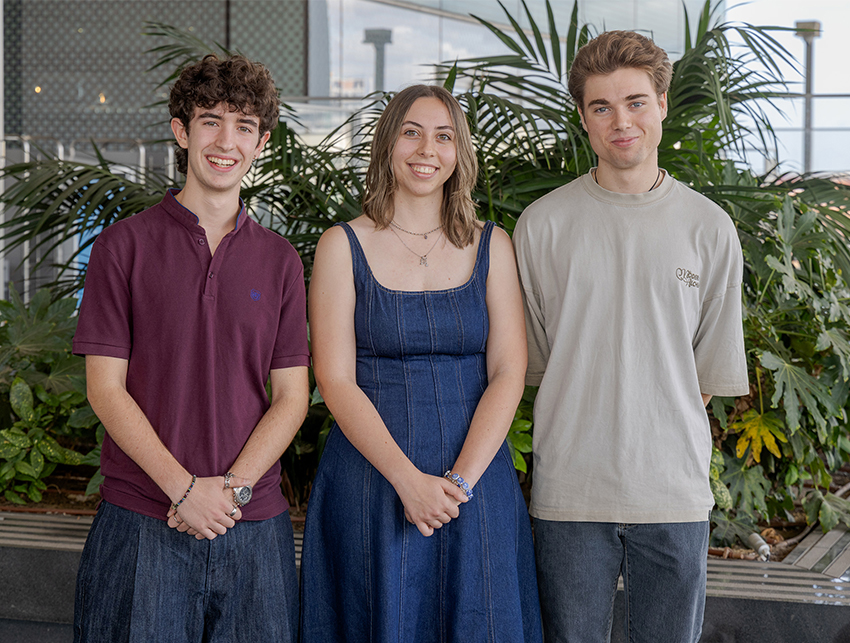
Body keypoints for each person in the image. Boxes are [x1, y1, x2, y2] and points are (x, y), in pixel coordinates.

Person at [513, 31, 749, 643]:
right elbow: (535, 365)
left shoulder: (709, 228)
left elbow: (703, 377)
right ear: (583, 117)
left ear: (662, 104)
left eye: (636, 102)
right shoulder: (541, 226)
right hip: (570, 494)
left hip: (673, 495)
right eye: (602, 106)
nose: (621, 121)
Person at [72, 54, 310, 643]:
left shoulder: (280, 260)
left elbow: (291, 397)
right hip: (141, 522)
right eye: (211, 121)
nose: (227, 141)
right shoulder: (121, 248)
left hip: (254, 527)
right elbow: (105, 389)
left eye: (244, 125)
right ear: (181, 131)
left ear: (261, 141)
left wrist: (228, 493)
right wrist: (183, 490)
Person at [300, 84, 543, 642]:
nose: (426, 149)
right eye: (411, 132)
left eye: (443, 136)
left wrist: (458, 484)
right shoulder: (342, 244)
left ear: (460, 152)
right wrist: (408, 483)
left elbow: (509, 371)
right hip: (373, 484)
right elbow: (334, 379)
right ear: (388, 143)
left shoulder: (493, 244)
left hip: (475, 487)